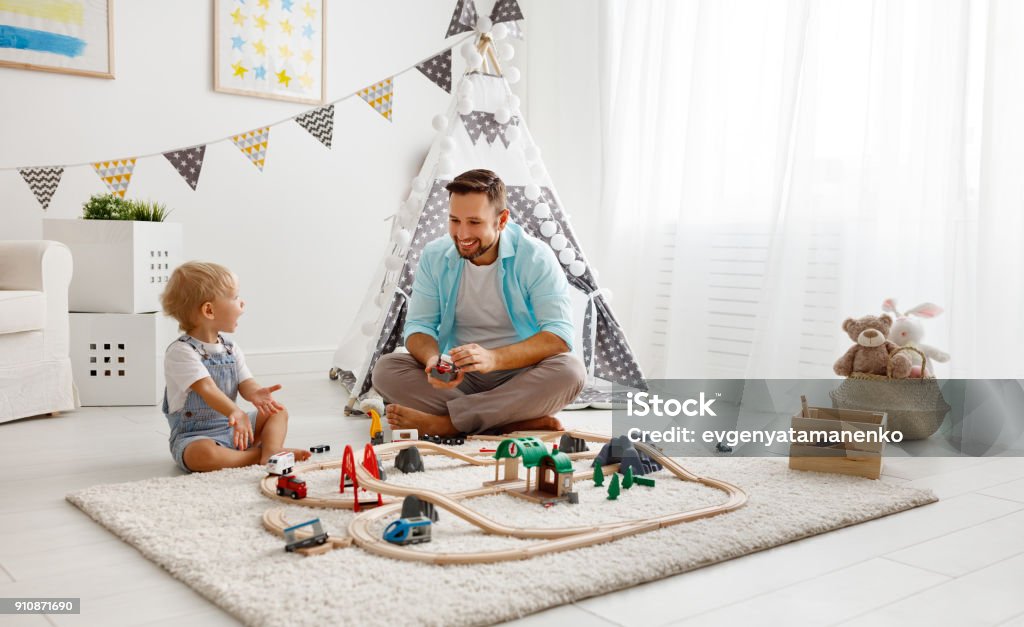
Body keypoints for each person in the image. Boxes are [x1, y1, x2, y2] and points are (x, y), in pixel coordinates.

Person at [373, 169, 586, 435]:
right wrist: (433, 360)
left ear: (502, 220)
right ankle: (510, 420)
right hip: (459, 378)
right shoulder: (435, 255)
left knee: (570, 371)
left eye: (474, 222)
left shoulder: (536, 258)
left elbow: (559, 335)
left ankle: (450, 424)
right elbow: (418, 327)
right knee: (386, 369)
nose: (462, 234)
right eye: (454, 220)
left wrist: (493, 358)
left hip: (518, 376)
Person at [160, 261, 310, 473]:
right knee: (202, 455)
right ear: (209, 310)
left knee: (278, 411)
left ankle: (271, 451)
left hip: (234, 427)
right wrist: (235, 412)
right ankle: (257, 455)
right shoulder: (181, 352)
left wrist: (256, 393)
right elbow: (207, 389)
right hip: (196, 435)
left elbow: (245, 381)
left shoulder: (230, 348)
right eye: (235, 297)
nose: (242, 303)